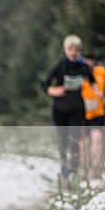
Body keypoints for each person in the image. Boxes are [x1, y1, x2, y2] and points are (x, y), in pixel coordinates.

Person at [42, 35, 95, 187]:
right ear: (65, 49)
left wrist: (97, 90)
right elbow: (44, 83)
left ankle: (74, 173)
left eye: (76, 50)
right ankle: (65, 173)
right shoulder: (59, 65)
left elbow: (92, 80)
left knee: (75, 141)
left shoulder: (82, 66)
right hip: (60, 109)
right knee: (63, 142)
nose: (73, 52)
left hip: (77, 109)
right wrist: (53, 90)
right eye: (70, 49)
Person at [80, 53, 105, 176]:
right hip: (82, 113)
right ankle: (84, 168)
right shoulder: (78, 73)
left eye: (89, 60)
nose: (87, 63)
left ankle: (94, 168)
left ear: (93, 61)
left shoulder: (101, 71)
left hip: (98, 112)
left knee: (97, 137)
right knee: (83, 143)